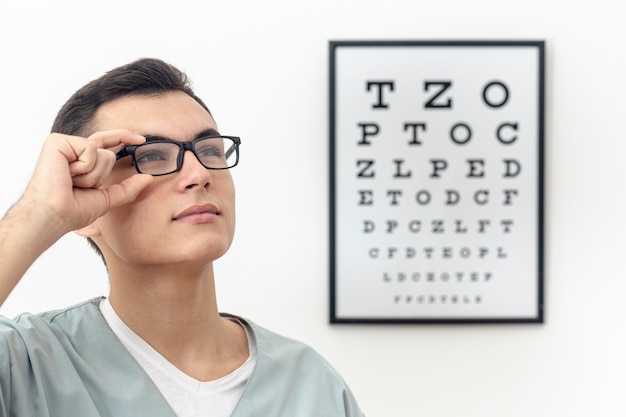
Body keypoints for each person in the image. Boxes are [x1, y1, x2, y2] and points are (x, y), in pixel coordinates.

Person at [0, 58, 363, 417]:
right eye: (152, 156)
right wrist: (41, 212)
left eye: (209, 150)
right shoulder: (24, 365)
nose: (199, 173)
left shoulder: (311, 385)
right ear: (87, 203)